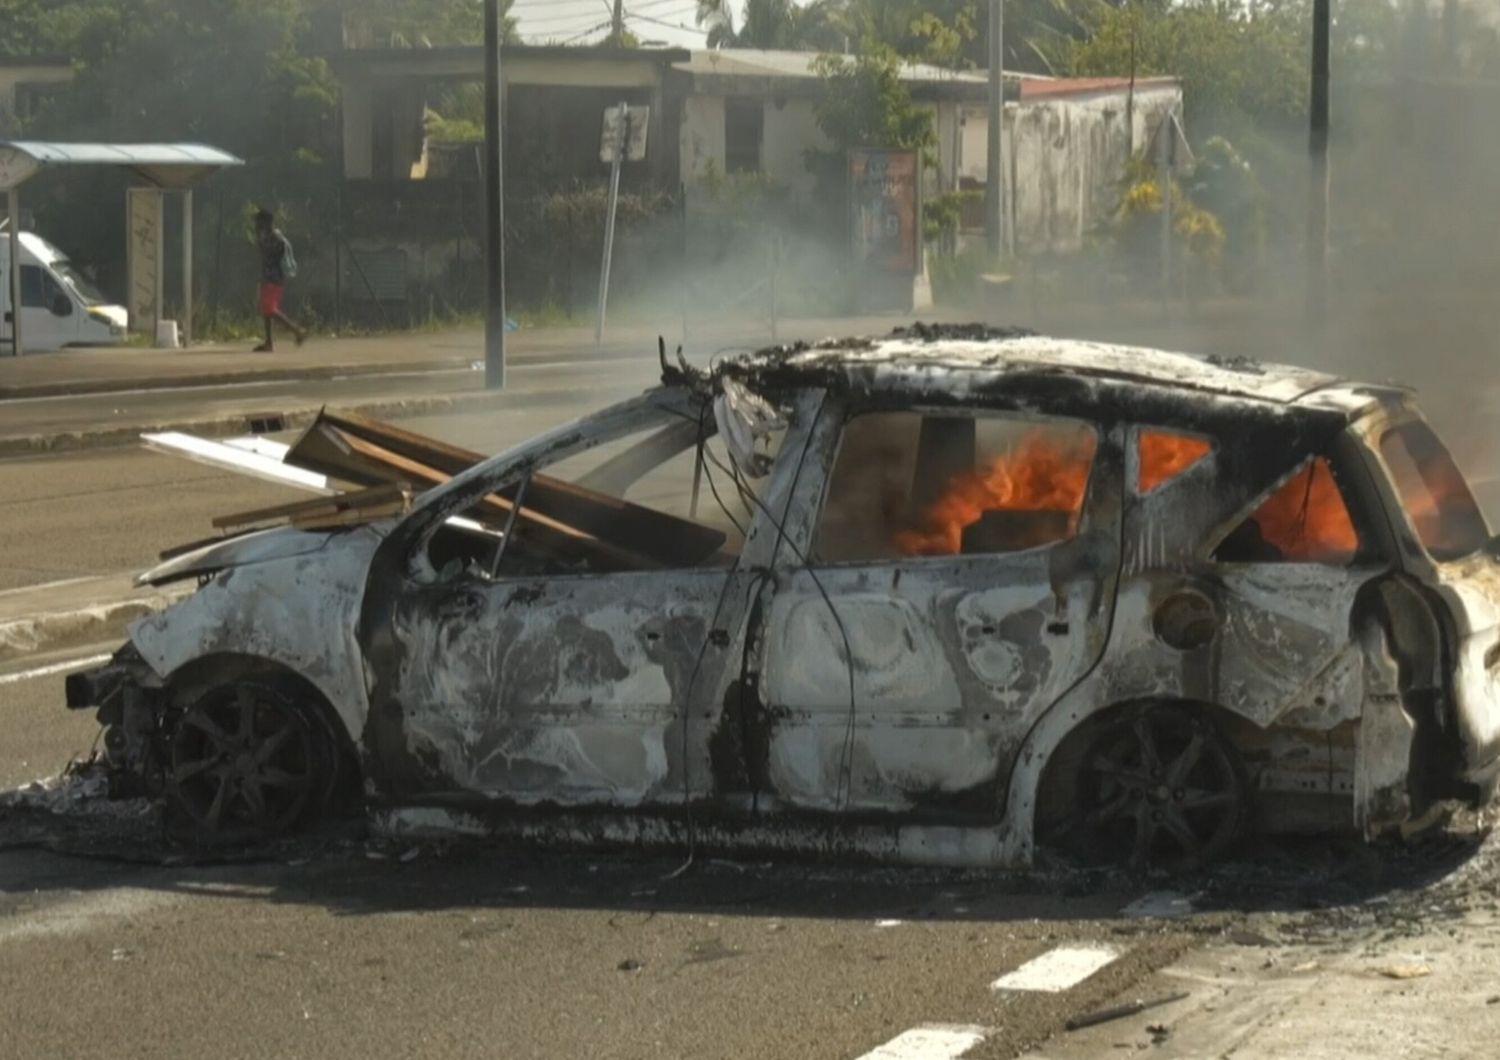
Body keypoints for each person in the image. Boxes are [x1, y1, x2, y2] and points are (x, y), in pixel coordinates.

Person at [253, 209, 305, 351]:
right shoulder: (269, 237)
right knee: (266, 311)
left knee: (271, 309)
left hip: (274, 279)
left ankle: (297, 330)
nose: (257, 225)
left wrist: (259, 237)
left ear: (266, 222)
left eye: (259, 222)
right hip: (267, 278)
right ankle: (269, 342)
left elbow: (267, 254)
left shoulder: (276, 238)